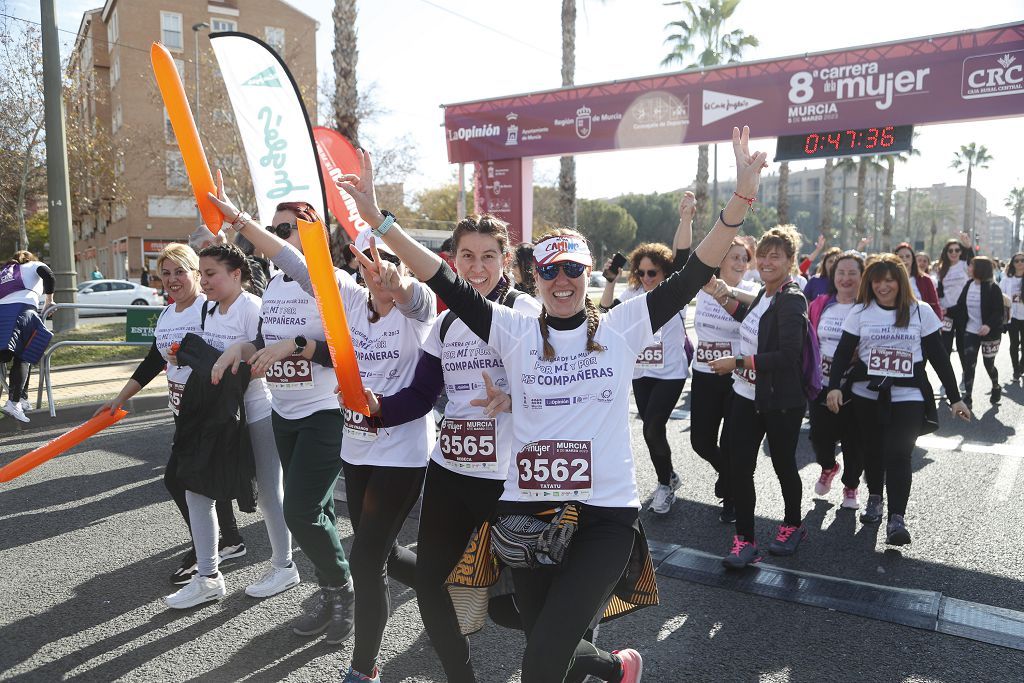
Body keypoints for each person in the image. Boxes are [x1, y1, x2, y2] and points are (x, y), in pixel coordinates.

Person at [337, 124, 768, 683]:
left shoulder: (623, 325)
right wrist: (379, 218)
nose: (561, 280)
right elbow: (441, 279)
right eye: (549, 270)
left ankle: (606, 666)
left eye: (572, 269)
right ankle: (617, 670)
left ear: (588, 273)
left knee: (540, 664)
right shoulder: (512, 330)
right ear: (535, 276)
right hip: (528, 515)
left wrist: (740, 198)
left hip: (604, 519)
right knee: (542, 639)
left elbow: (696, 271)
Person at [207, 174, 437, 683]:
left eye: (390, 265)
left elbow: (418, 281)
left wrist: (393, 256)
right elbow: (291, 260)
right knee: (380, 554)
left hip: (399, 450)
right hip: (356, 448)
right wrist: (239, 222)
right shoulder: (349, 299)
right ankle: (447, 582)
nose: (381, 274)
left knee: (365, 555)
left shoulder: (416, 308)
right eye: (370, 262)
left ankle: (363, 666)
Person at [351, 213, 538, 681]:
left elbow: (553, 388)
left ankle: (593, 662)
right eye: (467, 256)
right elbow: (421, 396)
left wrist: (514, 397)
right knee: (432, 586)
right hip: (451, 472)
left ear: (506, 260)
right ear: (452, 260)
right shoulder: (447, 323)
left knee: (520, 606)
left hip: (511, 482)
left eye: (488, 257)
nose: (477, 268)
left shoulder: (525, 312)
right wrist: (378, 408)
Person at [208, 201, 357, 644]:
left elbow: (348, 356)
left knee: (300, 512)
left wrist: (297, 345)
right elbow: (268, 340)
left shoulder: (331, 282)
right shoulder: (274, 285)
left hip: (325, 412)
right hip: (284, 410)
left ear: (315, 235)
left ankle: (344, 591)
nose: (277, 236)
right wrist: (242, 346)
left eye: (285, 229)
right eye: (274, 229)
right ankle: (329, 594)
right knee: (320, 510)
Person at [97, 244, 246, 585]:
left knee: (179, 479)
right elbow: (154, 361)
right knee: (201, 481)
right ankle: (231, 539)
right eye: (166, 273)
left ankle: (203, 551)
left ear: (196, 273)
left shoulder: (209, 311)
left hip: (207, 411)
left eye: (180, 271)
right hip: (182, 411)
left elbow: (223, 355)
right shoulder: (167, 314)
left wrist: (193, 356)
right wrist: (119, 398)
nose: (172, 279)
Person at [163, 242, 297, 609]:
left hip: (257, 413)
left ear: (236, 275)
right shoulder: (208, 310)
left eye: (211, 274)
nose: (203, 282)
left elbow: (263, 351)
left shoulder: (254, 308)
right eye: (202, 274)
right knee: (196, 488)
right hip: (218, 416)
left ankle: (284, 566)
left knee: (270, 493)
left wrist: (233, 354)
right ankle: (208, 577)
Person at [826, 254, 971, 545]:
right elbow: (843, 353)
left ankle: (897, 519)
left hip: (909, 396)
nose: (883, 286)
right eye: (877, 280)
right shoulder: (860, 312)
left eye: (889, 280)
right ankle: (875, 499)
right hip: (866, 395)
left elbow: (940, 357)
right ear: (870, 283)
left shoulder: (921, 311)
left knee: (899, 454)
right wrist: (835, 387)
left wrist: (955, 398)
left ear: (900, 282)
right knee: (873, 451)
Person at [707, 225, 810, 569]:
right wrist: (721, 295)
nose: (766, 261)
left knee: (783, 466)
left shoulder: (792, 298)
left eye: (775, 256)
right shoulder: (765, 294)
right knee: (739, 468)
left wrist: (737, 361)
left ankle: (793, 525)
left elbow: (787, 356)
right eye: (762, 255)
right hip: (745, 395)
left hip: (780, 401)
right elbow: (753, 323)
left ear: (790, 260)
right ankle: (745, 541)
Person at [599, 193, 694, 514]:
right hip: (641, 373)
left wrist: (686, 219)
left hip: (670, 373)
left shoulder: (673, 295)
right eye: (641, 273)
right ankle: (669, 477)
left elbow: (683, 254)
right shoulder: (634, 294)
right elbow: (606, 312)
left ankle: (664, 485)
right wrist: (610, 281)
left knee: (652, 427)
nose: (646, 278)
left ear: (665, 273)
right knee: (651, 430)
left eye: (652, 272)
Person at [690, 238, 759, 524]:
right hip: (704, 375)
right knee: (700, 442)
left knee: (731, 444)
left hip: (736, 378)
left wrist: (729, 293)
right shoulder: (703, 288)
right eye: (734, 257)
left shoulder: (752, 291)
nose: (741, 263)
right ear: (720, 260)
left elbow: (763, 307)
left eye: (745, 258)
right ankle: (728, 476)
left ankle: (731, 498)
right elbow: (683, 255)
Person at [806, 252, 865, 509]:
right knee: (820, 437)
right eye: (841, 272)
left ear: (863, 277)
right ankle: (828, 467)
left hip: (854, 387)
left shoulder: (867, 309)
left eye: (853, 273)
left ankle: (851, 487)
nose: (846, 278)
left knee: (854, 440)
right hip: (821, 385)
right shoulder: (821, 304)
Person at [0, 250, 54, 422]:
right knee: (25, 354)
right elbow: (49, 276)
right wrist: (49, 301)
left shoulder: (4, 271)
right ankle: (14, 402)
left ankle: (21, 398)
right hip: (22, 310)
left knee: (4, 356)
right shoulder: (33, 265)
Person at [949, 256, 1004, 407]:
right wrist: (946, 311)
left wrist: (988, 325)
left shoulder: (993, 288)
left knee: (989, 365)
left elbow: (998, 312)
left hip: (990, 334)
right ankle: (968, 397)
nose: (968, 268)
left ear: (980, 269)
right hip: (970, 332)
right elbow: (960, 306)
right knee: (969, 365)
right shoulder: (969, 285)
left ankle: (996, 386)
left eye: (971, 266)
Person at [936, 236, 973, 367]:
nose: (953, 253)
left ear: (961, 252)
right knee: (946, 345)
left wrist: (969, 246)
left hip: (962, 311)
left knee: (962, 344)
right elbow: (939, 292)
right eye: (950, 250)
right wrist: (940, 308)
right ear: (946, 253)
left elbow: (975, 262)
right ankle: (947, 375)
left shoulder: (964, 265)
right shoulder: (941, 269)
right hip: (947, 312)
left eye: (957, 250)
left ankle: (965, 372)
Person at [895, 243, 941, 319]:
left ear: (913, 259)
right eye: (900, 257)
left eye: (907, 256)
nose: (904, 259)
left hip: (921, 323)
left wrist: (938, 325)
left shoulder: (925, 279)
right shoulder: (889, 280)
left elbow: (935, 305)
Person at [1002, 253, 1024, 381]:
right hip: (1013, 316)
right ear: (1013, 263)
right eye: (1017, 261)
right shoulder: (1007, 279)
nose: (1020, 263)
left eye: (1022, 260)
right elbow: (1000, 294)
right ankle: (1016, 370)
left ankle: (1022, 366)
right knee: (1014, 343)